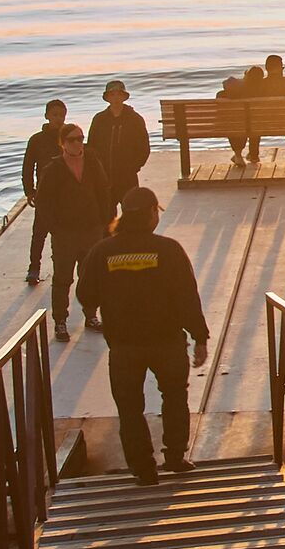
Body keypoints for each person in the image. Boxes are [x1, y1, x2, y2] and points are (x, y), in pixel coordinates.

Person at [80, 187, 207, 480]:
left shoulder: (103, 251)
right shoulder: (168, 249)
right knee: (175, 397)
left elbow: (85, 295)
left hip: (125, 347)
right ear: (151, 212)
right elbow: (188, 297)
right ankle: (175, 457)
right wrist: (199, 337)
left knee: (129, 407)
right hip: (167, 342)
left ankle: (143, 468)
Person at [34, 125, 107, 337]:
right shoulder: (54, 168)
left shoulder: (92, 163)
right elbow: (43, 203)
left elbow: (103, 191)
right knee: (62, 279)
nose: (77, 143)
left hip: (91, 230)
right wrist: (55, 229)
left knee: (89, 277)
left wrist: (102, 222)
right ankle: (60, 322)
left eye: (80, 139)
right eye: (72, 139)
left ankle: (91, 315)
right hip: (65, 234)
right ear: (62, 142)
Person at [18, 99, 68, 286]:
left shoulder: (68, 137)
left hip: (65, 194)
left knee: (62, 233)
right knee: (39, 232)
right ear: (47, 116)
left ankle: (60, 264)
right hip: (44, 193)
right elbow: (28, 167)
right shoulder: (37, 140)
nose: (58, 118)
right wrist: (29, 191)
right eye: (54, 115)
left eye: (62, 115)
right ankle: (34, 267)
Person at [92, 79, 150, 208]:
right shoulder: (99, 119)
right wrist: (97, 169)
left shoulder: (135, 119)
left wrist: (135, 166)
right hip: (105, 175)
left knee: (131, 211)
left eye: (119, 94)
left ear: (124, 97)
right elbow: (92, 146)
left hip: (128, 176)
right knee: (107, 214)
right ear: (107, 97)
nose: (116, 98)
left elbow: (144, 146)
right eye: (112, 94)